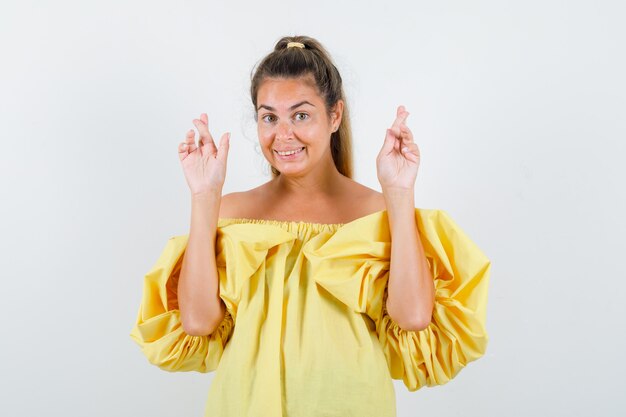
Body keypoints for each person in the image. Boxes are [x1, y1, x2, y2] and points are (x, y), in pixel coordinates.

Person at [130, 36, 491, 417]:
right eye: (269, 117)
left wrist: (399, 192)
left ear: (334, 116)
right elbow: (199, 322)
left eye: (300, 115)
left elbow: (414, 318)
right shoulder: (230, 212)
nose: (283, 135)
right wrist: (205, 195)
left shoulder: (378, 212)